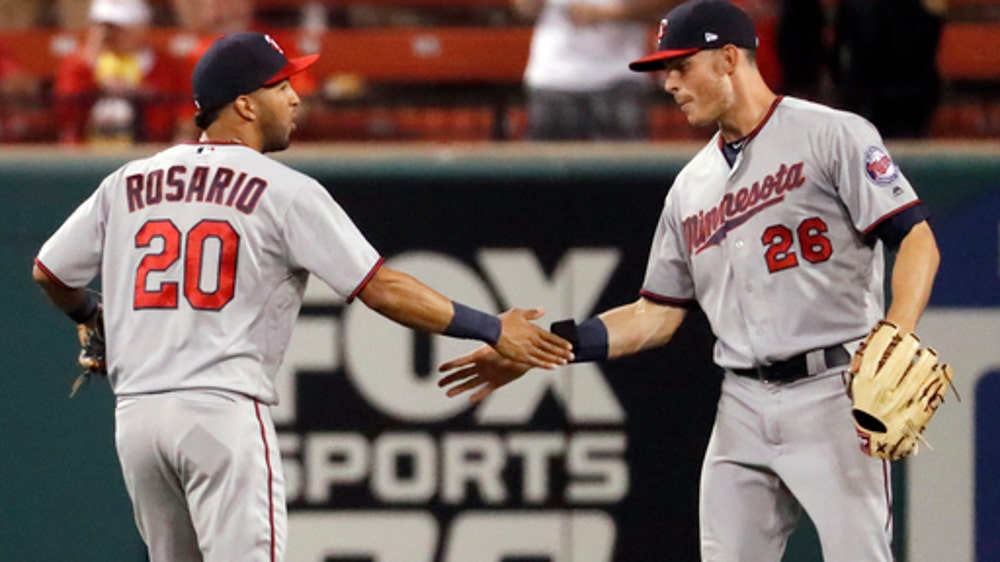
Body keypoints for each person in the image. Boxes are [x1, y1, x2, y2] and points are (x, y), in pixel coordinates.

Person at [32, 32, 572, 561]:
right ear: (243, 104)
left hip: (138, 422)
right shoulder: (281, 189)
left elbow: (50, 271)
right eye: (281, 85)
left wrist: (91, 315)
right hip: (221, 412)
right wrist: (492, 327)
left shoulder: (128, 181)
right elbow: (382, 290)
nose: (295, 96)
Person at [438, 1, 941, 560]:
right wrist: (547, 348)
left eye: (681, 66)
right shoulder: (690, 187)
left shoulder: (833, 134)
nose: (670, 83)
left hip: (835, 393)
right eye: (665, 70)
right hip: (742, 404)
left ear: (729, 58)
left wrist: (899, 330)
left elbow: (916, 237)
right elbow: (653, 315)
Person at [514, 0, 674, 141]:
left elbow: (667, 4)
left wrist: (612, 13)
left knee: (624, 171)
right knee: (546, 171)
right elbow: (524, 8)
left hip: (620, 76)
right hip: (554, 78)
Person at [53, 0, 186, 146]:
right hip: (87, 153)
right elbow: (65, 114)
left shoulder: (163, 64)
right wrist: (94, 76)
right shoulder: (78, 63)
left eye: (119, 27)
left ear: (141, 27)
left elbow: (176, 115)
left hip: (145, 153)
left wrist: (137, 92)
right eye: (102, 26)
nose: (109, 34)